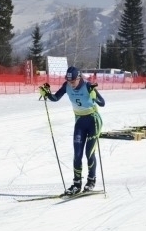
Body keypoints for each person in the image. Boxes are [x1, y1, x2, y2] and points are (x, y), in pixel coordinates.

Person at [39, 66, 105, 195]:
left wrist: (94, 96)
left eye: (73, 81)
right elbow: (55, 98)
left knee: (89, 153)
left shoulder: (88, 86)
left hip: (93, 121)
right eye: (69, 81)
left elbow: (102, 103)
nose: (71, 84)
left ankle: (91, 181)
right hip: (80, 122)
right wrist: (46, 94)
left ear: (79, 78)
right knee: (77, 154)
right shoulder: (67, 86)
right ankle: (76, 184)